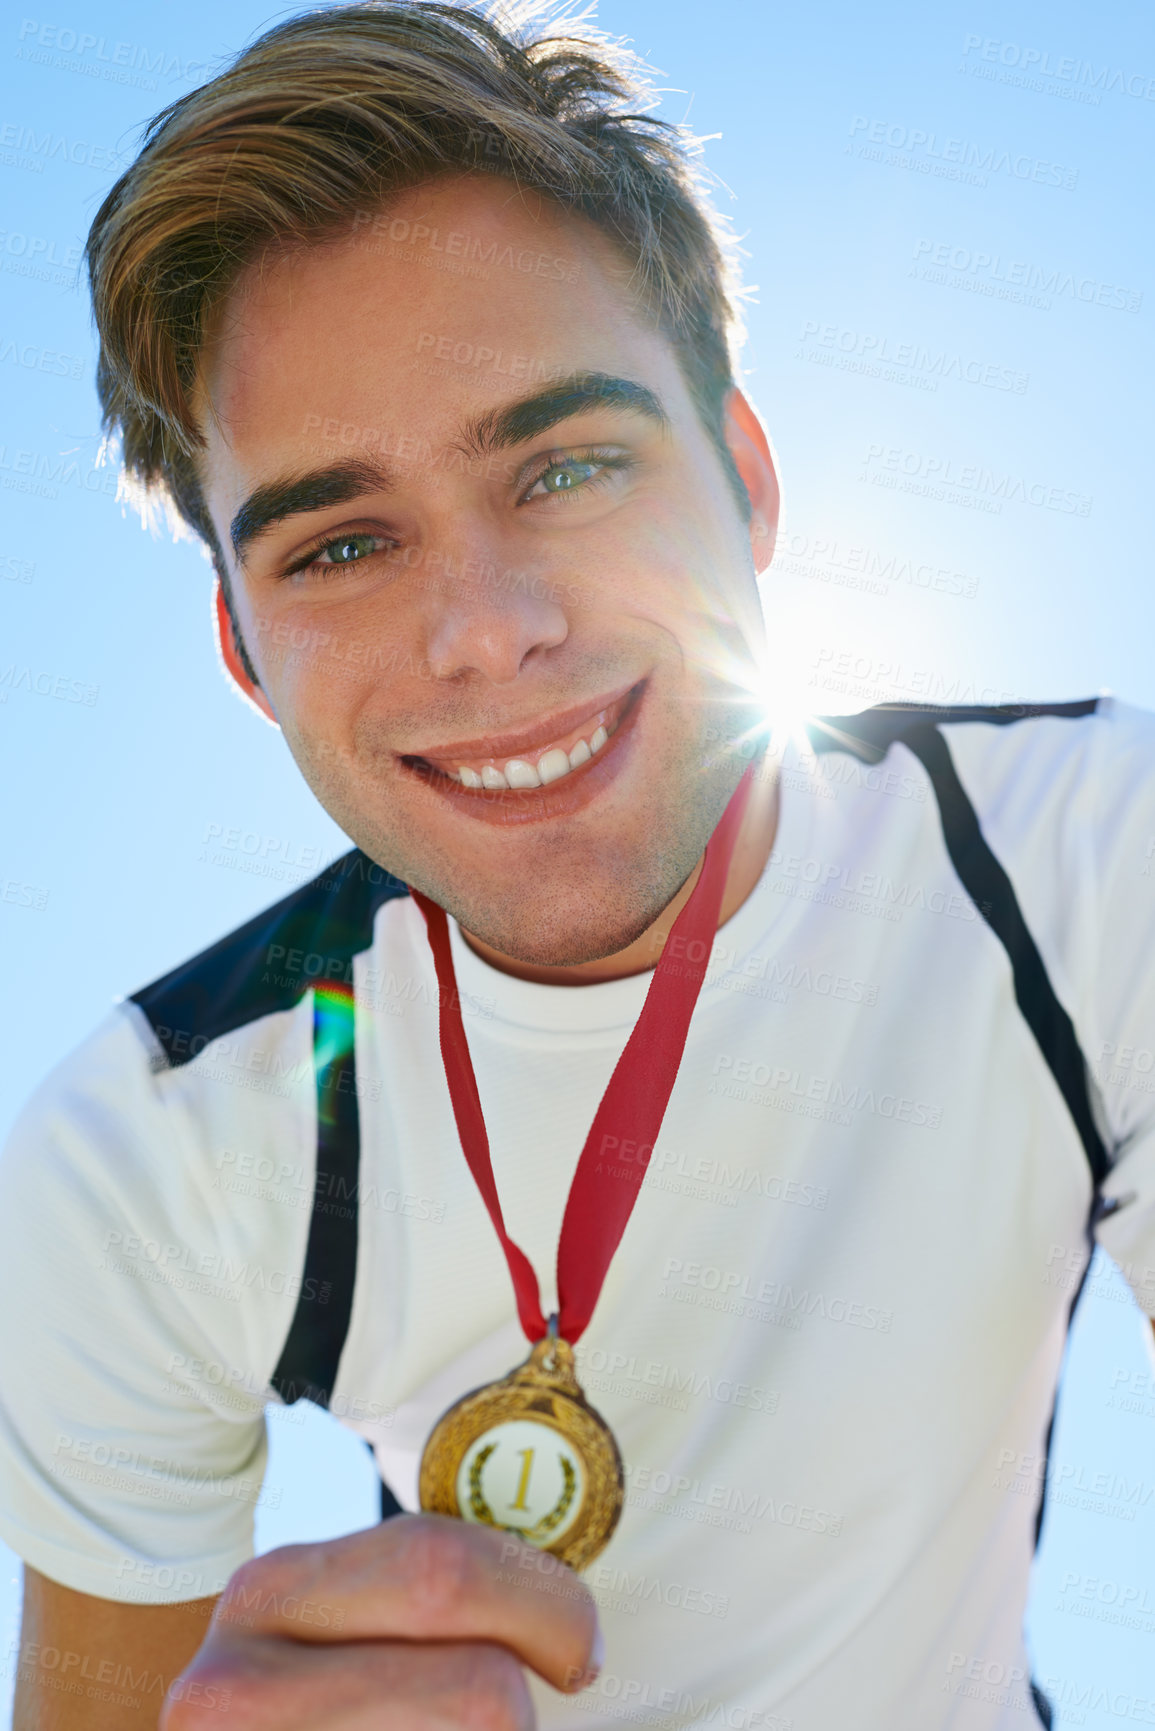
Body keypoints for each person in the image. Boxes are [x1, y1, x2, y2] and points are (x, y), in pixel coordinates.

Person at [1, 3, 1153, 1727]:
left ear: (746, 484)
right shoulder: (150, 1152)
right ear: (246, 654)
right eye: (341, 543)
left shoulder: (1078, 857)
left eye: (570, 464)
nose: (487, 633)